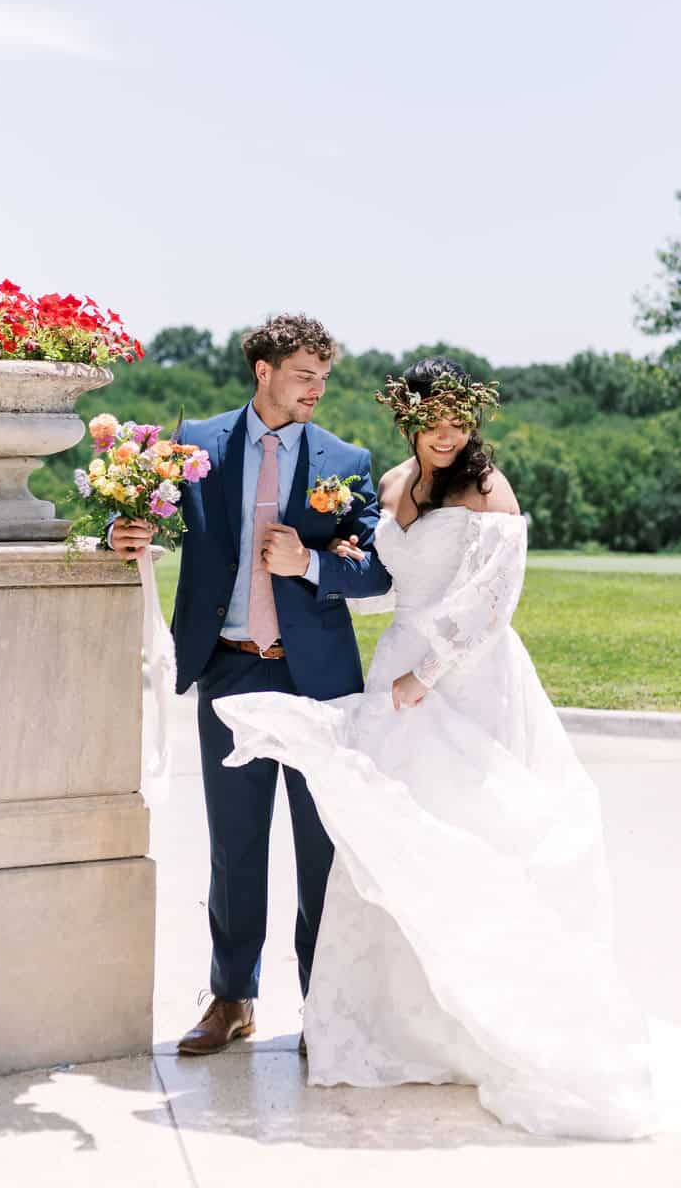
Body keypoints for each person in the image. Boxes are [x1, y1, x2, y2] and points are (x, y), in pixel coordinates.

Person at [213, 356, 681, 1140]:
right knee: (391, 846)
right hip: (395, 672)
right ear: (408, 419)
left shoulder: (488, 488)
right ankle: (401, 1027)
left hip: (461, 683)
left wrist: (428, 675)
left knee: (473, 836)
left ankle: (491, 1024)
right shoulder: (398, 482)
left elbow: (491, 602)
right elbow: (378, 573)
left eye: (458, 420)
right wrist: (324, 576)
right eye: (433, 420)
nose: (447, 434)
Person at [111, 313, 391, 1056]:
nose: (317, 391)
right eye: (304, 376)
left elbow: (376, 568)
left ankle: (322, 1008)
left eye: (324, 378)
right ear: (263, 371)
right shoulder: (197, 442)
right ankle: (232, 999)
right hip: (229, 666)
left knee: (319, 851)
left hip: (318, 682)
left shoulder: (346, 458)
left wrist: (312, 565)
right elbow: (155, 520)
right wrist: (128, 533)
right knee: (236, 847)